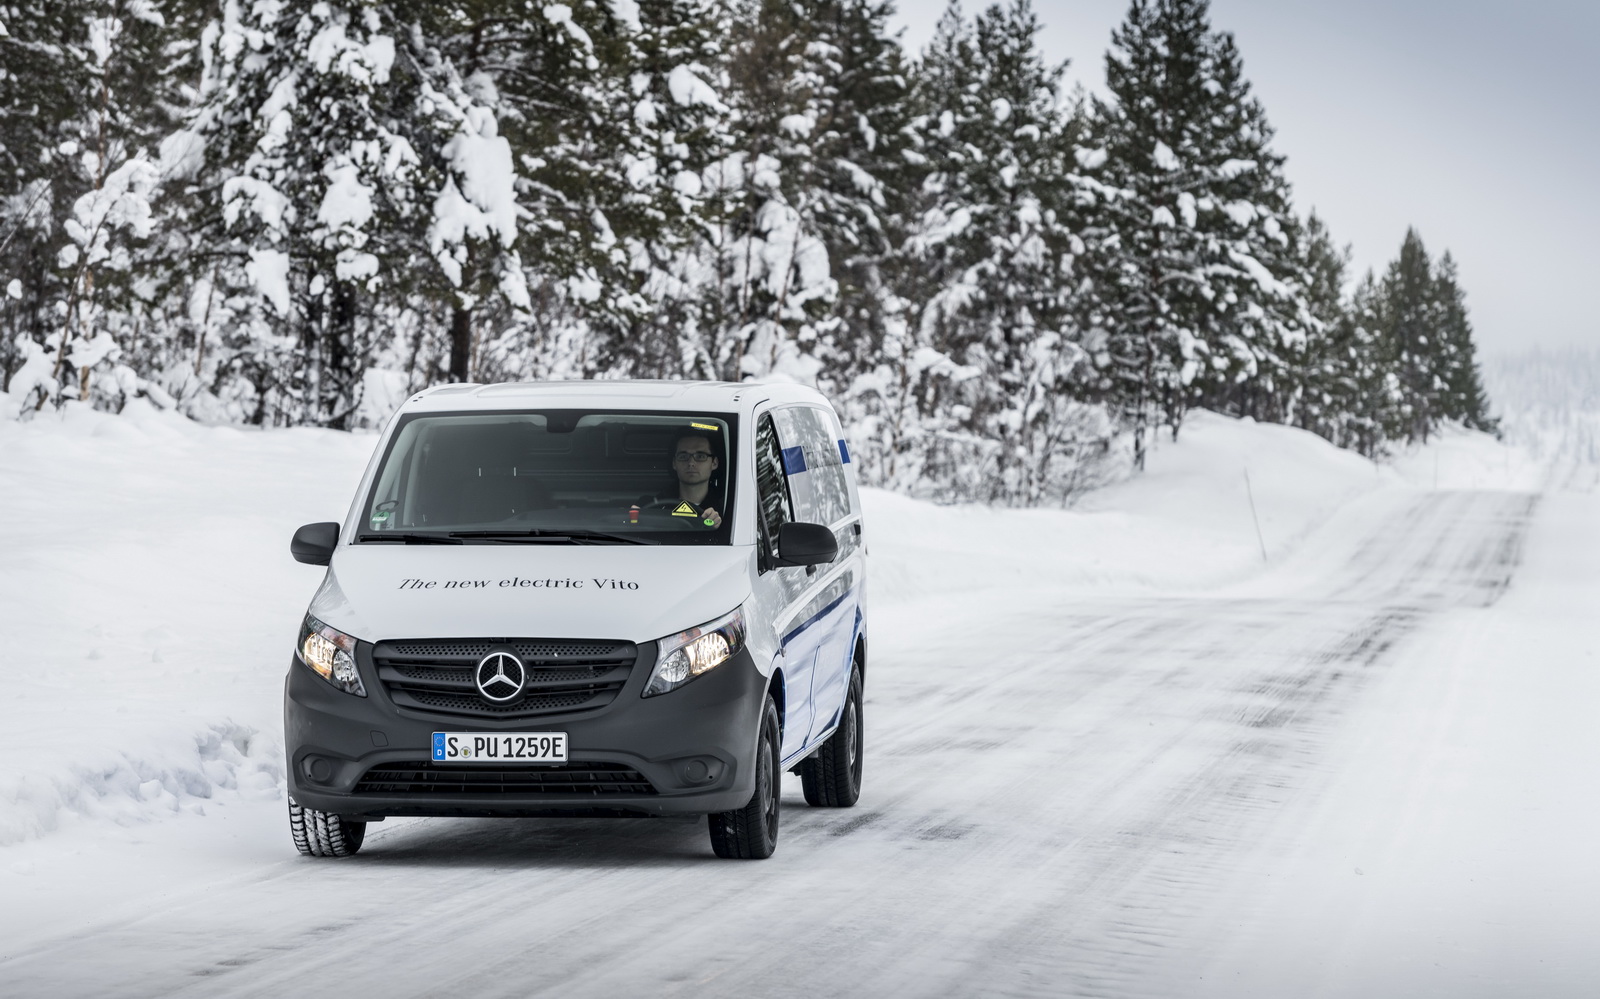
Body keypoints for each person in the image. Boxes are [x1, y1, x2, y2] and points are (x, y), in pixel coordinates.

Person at [655, 431, 724, 528]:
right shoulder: (654, 505)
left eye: (700, 456)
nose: (691, 463)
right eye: (683, 456)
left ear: (714, 463)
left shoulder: (728, 509)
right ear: (674, 463)